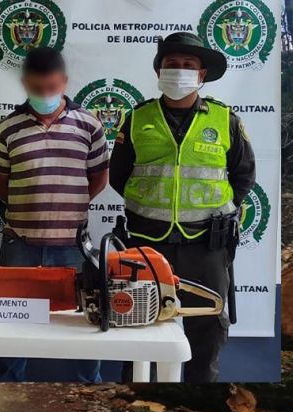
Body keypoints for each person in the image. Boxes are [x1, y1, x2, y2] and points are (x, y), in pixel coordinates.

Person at [109, 32, 255, 383]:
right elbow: (119, 175)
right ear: (159, 71)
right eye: (172, 64)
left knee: (205, 328)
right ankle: (135, 399)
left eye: (188, 66)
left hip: (207, 245)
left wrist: (214, 212)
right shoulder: (137, 118)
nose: (179, 71)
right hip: (146, 243)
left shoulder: (225, 120)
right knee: (136, 322)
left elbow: (243, 175)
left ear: (202, 75)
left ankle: (197, 401)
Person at [0, 47, 109, 382]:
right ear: (25, 83)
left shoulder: (89, 126)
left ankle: (90, 390)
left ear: (64, 82)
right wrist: (34, 206)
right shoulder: (7, 129)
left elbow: (98, 178)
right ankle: (10, 390)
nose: (45, 94)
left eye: (51, 87)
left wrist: (67, 206)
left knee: (84, 321)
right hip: (21, 244)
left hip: (72, 245)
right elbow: (0, 183)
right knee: (13, 324)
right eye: (37, 88)